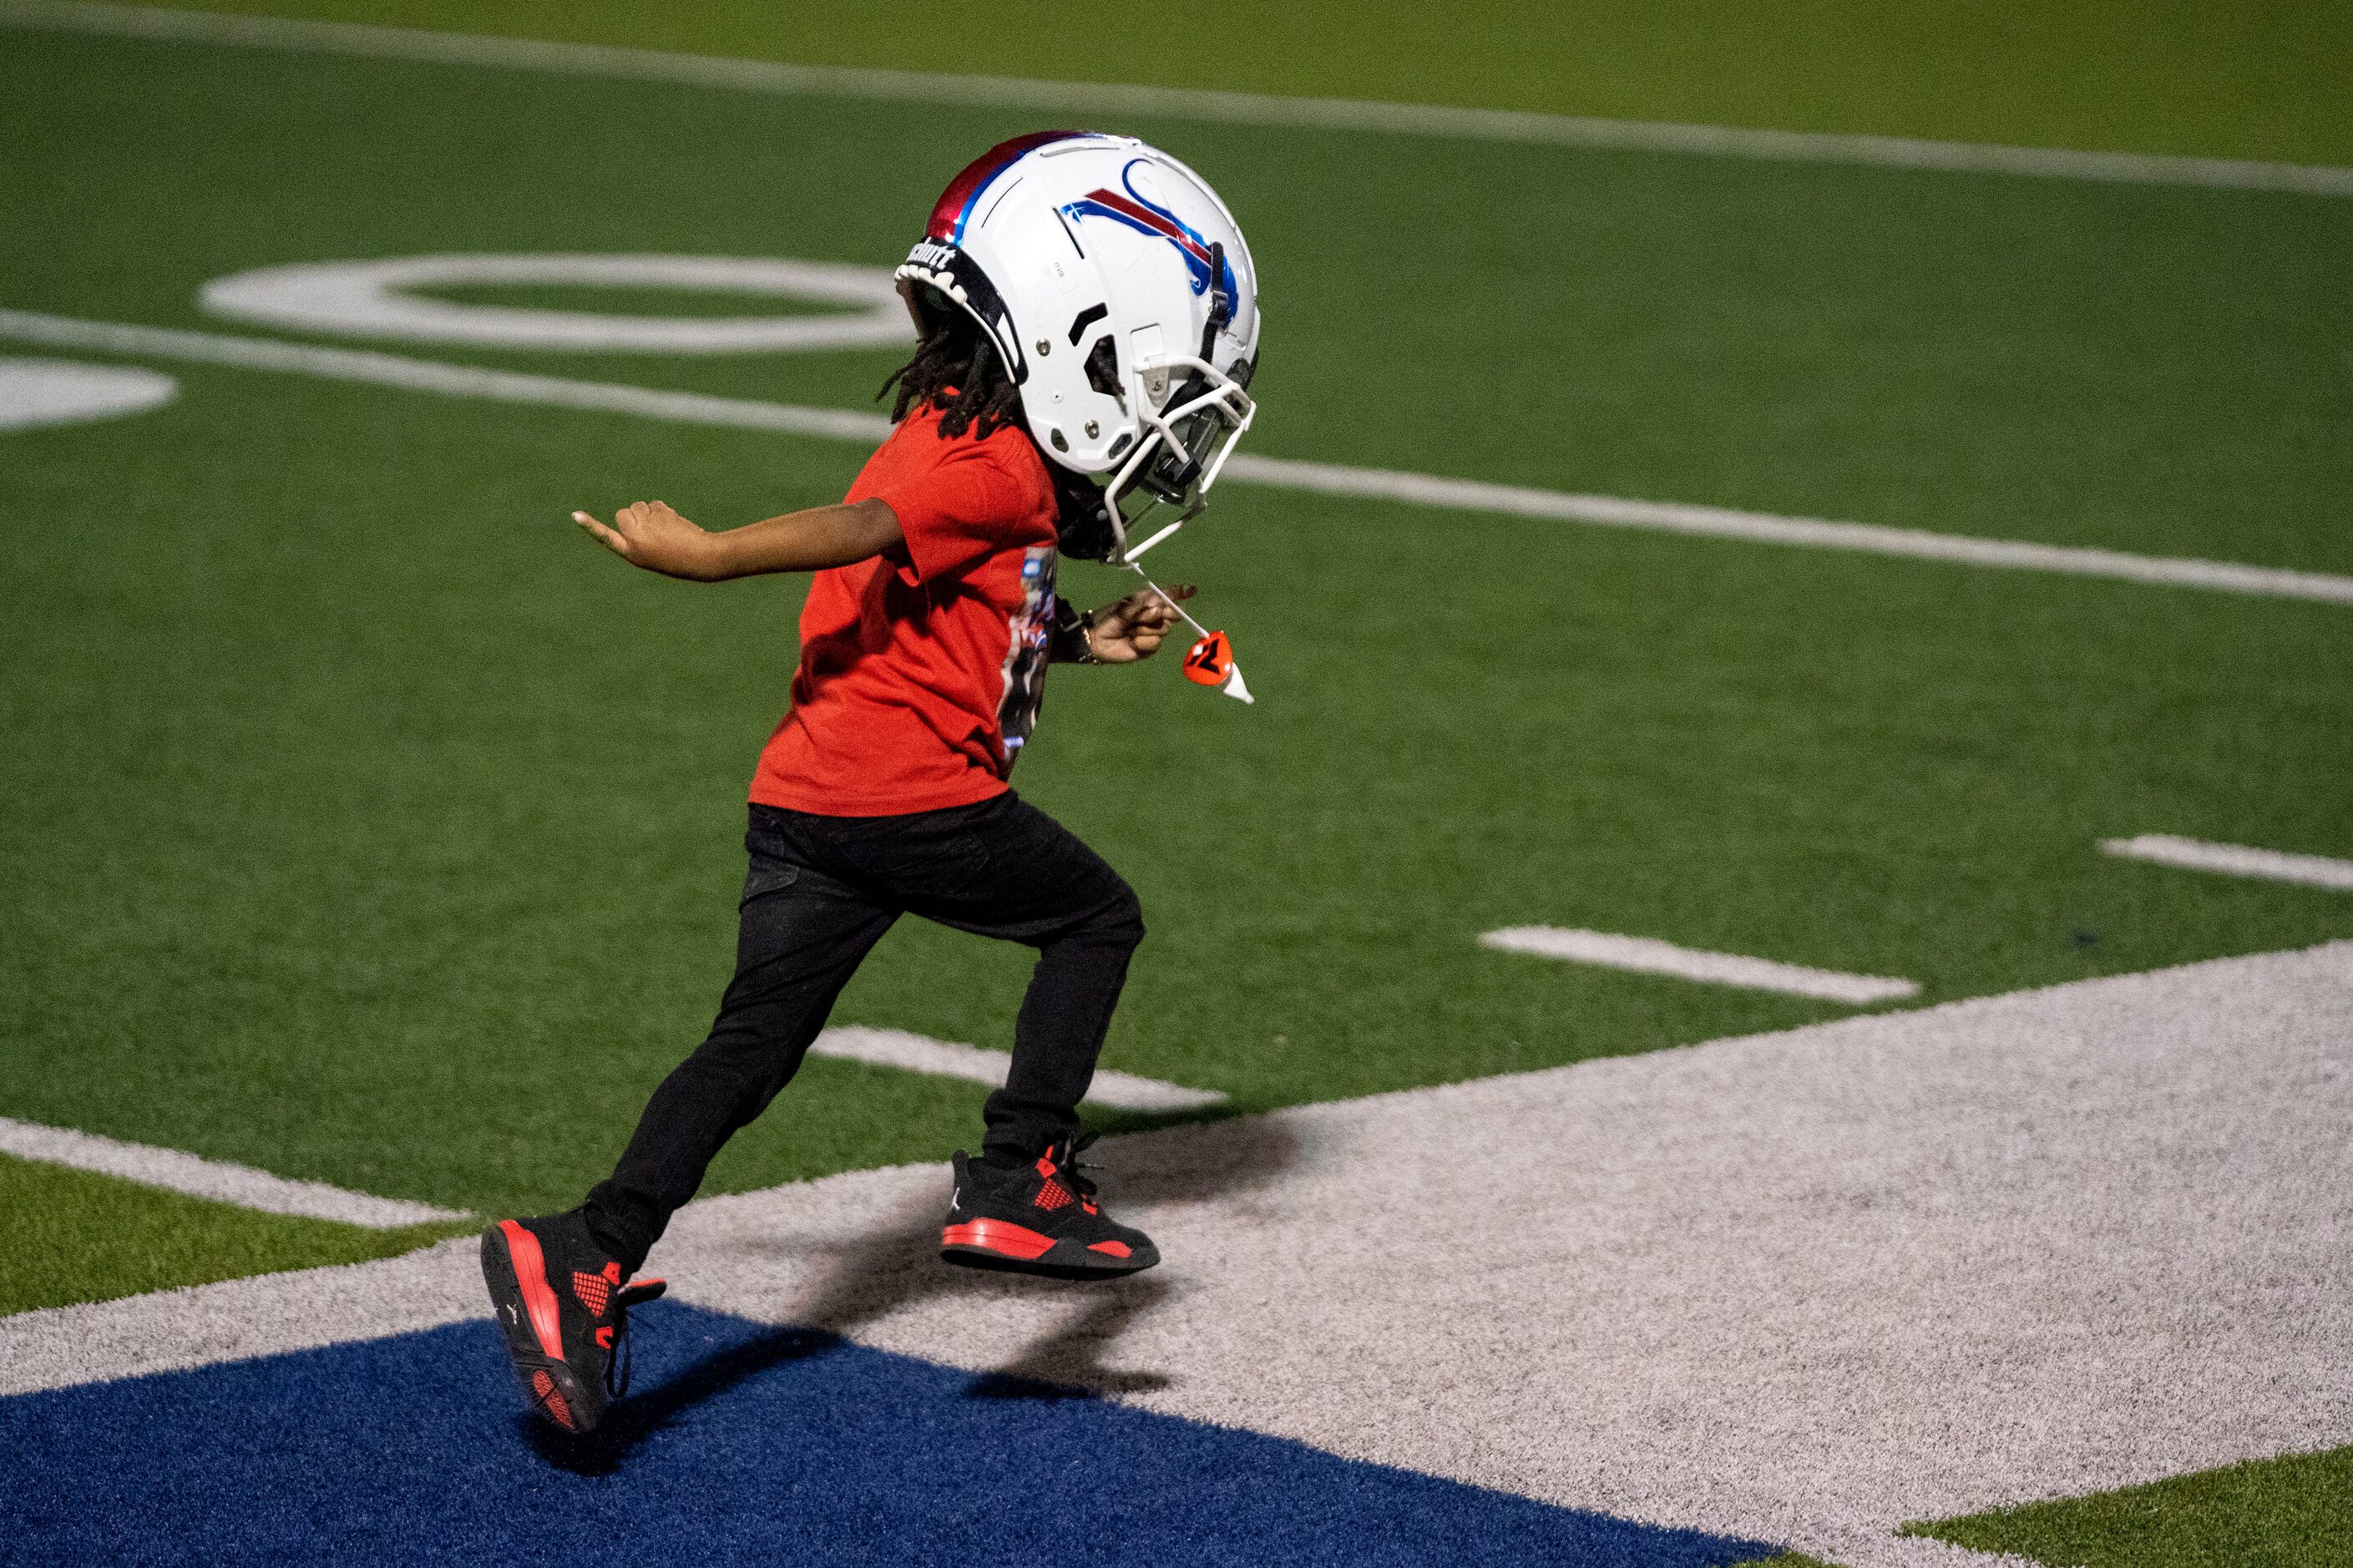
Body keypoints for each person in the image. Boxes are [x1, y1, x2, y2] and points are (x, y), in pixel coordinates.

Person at [480, 130, 1262, 1435]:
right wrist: (713, 553)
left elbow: (955, 600)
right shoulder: (994, 461)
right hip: (907, 798)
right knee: (1093, 916)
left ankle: (584, 1248)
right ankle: (1017, 1174)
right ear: (1072, 332)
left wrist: (1079, 637)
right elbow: (871, 534)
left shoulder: (948, 425)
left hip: (808, 793)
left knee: (752, 1046)